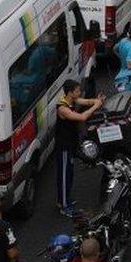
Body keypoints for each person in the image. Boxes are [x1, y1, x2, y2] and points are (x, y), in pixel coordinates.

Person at [55, 80, 103, 217]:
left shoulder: (72, 100)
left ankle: (64, 200)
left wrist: (96, 101)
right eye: (77, 90)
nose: (79, 92)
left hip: (70, 143)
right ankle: (64, 206)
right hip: (63, 146)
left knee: (69, 174)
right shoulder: (62, 108)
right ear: (70, 92)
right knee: (64, 175)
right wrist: (96, 106)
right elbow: (82, 117)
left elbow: (87, 102)